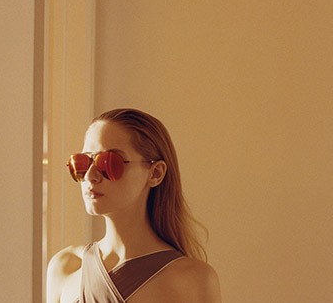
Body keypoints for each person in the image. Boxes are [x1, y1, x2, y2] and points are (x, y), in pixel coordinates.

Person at [46, 108, 221, 303]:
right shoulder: (65, 267)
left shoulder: (194, 280)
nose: (90, 176)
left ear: (155, 173)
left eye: (108, 163)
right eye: (82, 163)